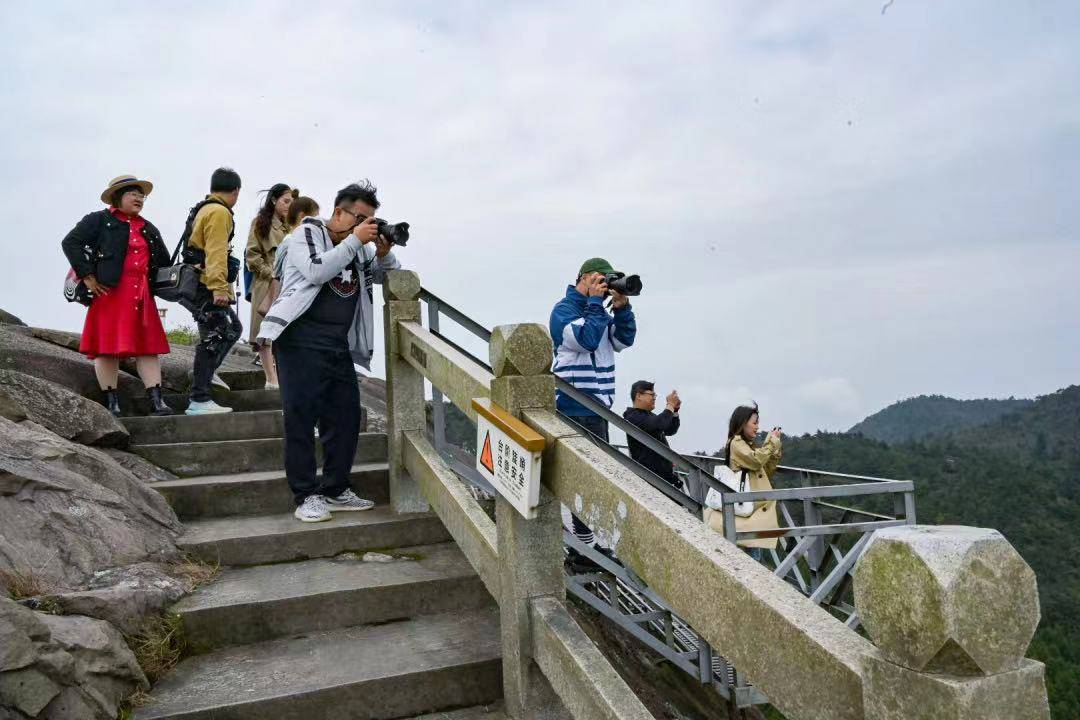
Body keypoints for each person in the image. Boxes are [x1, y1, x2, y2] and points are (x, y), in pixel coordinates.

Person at [257, 180, 401, 523]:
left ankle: (335, 489)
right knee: (301, 417)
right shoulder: (304, 235)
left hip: (338, 344)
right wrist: (355, 240)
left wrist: (383, 252)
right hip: (298, 339)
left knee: (346, 417)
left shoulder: (358, 249)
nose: (366, 226)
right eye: (361, 218)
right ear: (339, 212)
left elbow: (391, 276)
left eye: (372, 220)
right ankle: (305, 494)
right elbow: (317, 270)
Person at [61, 175, 174, 417]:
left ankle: (157, 401)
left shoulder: (147, 227)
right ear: (118, 196)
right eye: (133, 193)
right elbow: (70, 242)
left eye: (141, 195)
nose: (139, 198)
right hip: (110, 292)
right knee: (106, 347)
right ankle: (112, 403)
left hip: (142, 293)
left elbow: (164, 262)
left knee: (147, 347)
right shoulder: (99, 220)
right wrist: (88, 275)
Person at [550, 257, 636, 551]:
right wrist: (597, 304)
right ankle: (585, 545)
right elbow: (587, 339)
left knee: (597, 479)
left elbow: (623, 341)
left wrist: (622, 308)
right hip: (572, 407)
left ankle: (591, 543)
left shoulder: (597, 311)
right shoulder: (563, 311)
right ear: (584, 278)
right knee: (581, 479)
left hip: (597, 407)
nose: (603, 286)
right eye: (600, 279)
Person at [183, 168, 244, 415]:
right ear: (236, 191)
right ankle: (199, 397)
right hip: (206, 284)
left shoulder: (204, 208)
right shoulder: (219, 212)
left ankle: (203, 377)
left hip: (197, 281)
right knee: (217, 334)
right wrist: (219, 288)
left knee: (226, 330)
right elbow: (216, 252)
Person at [703, 404, 782, 560]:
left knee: (752, 552)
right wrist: (771, 443)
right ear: (743, 423)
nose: (757, 427)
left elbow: (767, 471)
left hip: (751, 509)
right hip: (744, 509)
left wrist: (774, 450)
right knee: (750, 556)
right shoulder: (736, 442)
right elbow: (755, 461)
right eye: (754, 423)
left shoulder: (747, 445)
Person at [245, 183, 296, 389]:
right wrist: (272, 273)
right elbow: (252, 255)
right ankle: (271, 378)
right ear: (274, 200)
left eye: (292, 202)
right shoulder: (260, 223)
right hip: (266, 283)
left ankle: (281, 376)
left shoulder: (293, 226)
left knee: (287, 330)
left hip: (290, 284)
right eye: (285, 201)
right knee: (264, 332)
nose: (289, 205)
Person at [622, 381, 682, 489]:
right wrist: (670, 405)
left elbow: (670, 430)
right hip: (650, 478)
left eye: (655, 395)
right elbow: (660, 424)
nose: (654, 398)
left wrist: (675, 411)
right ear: (639, 396)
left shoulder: (648, 416)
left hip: (661, 478)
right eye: (651, 395)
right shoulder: (633, 416)